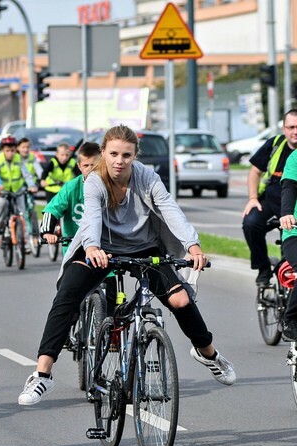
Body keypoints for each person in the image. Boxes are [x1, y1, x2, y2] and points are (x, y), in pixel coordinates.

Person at [17, 125, 236, 406]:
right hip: (99, 248)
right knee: (67, 295)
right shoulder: (94, 180)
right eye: (114, 154)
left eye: (126, 155)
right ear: (104, 153)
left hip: (145, 247)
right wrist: (93, 247)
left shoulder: (147, 177)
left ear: (135, 155)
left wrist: (193, 245)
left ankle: (209, 354)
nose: (119, 161)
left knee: (181, 300)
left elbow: (169, 208)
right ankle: (42, 374)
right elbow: (93, 215)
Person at [242, 110, 297, 286]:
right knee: (250, 223)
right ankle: (263, 268)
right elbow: (255, 171)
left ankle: (287, 276)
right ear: (284, 129)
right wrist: (252, 198)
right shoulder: (275, 144)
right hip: (270, 201)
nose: (295, 131)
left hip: (292, 208)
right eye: (291, 127)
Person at [40, 141, 101, 249]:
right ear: (79, 166)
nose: (90, 169)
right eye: (86, 165)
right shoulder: (71, 187)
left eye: (94, 165)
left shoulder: (110, 185)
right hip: (75, 247)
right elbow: (51, 209)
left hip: (103, 247)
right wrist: (47, 232)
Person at [0, 136, 36, 242]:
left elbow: (26, 174)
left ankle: (23, 240)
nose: (10, 153)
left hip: (18, 191)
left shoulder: (18, 158)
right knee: (2, 204)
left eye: (12, 150)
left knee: (22, 213)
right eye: (7, 151)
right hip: (3, 191)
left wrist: (32, 185)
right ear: (3, 150)